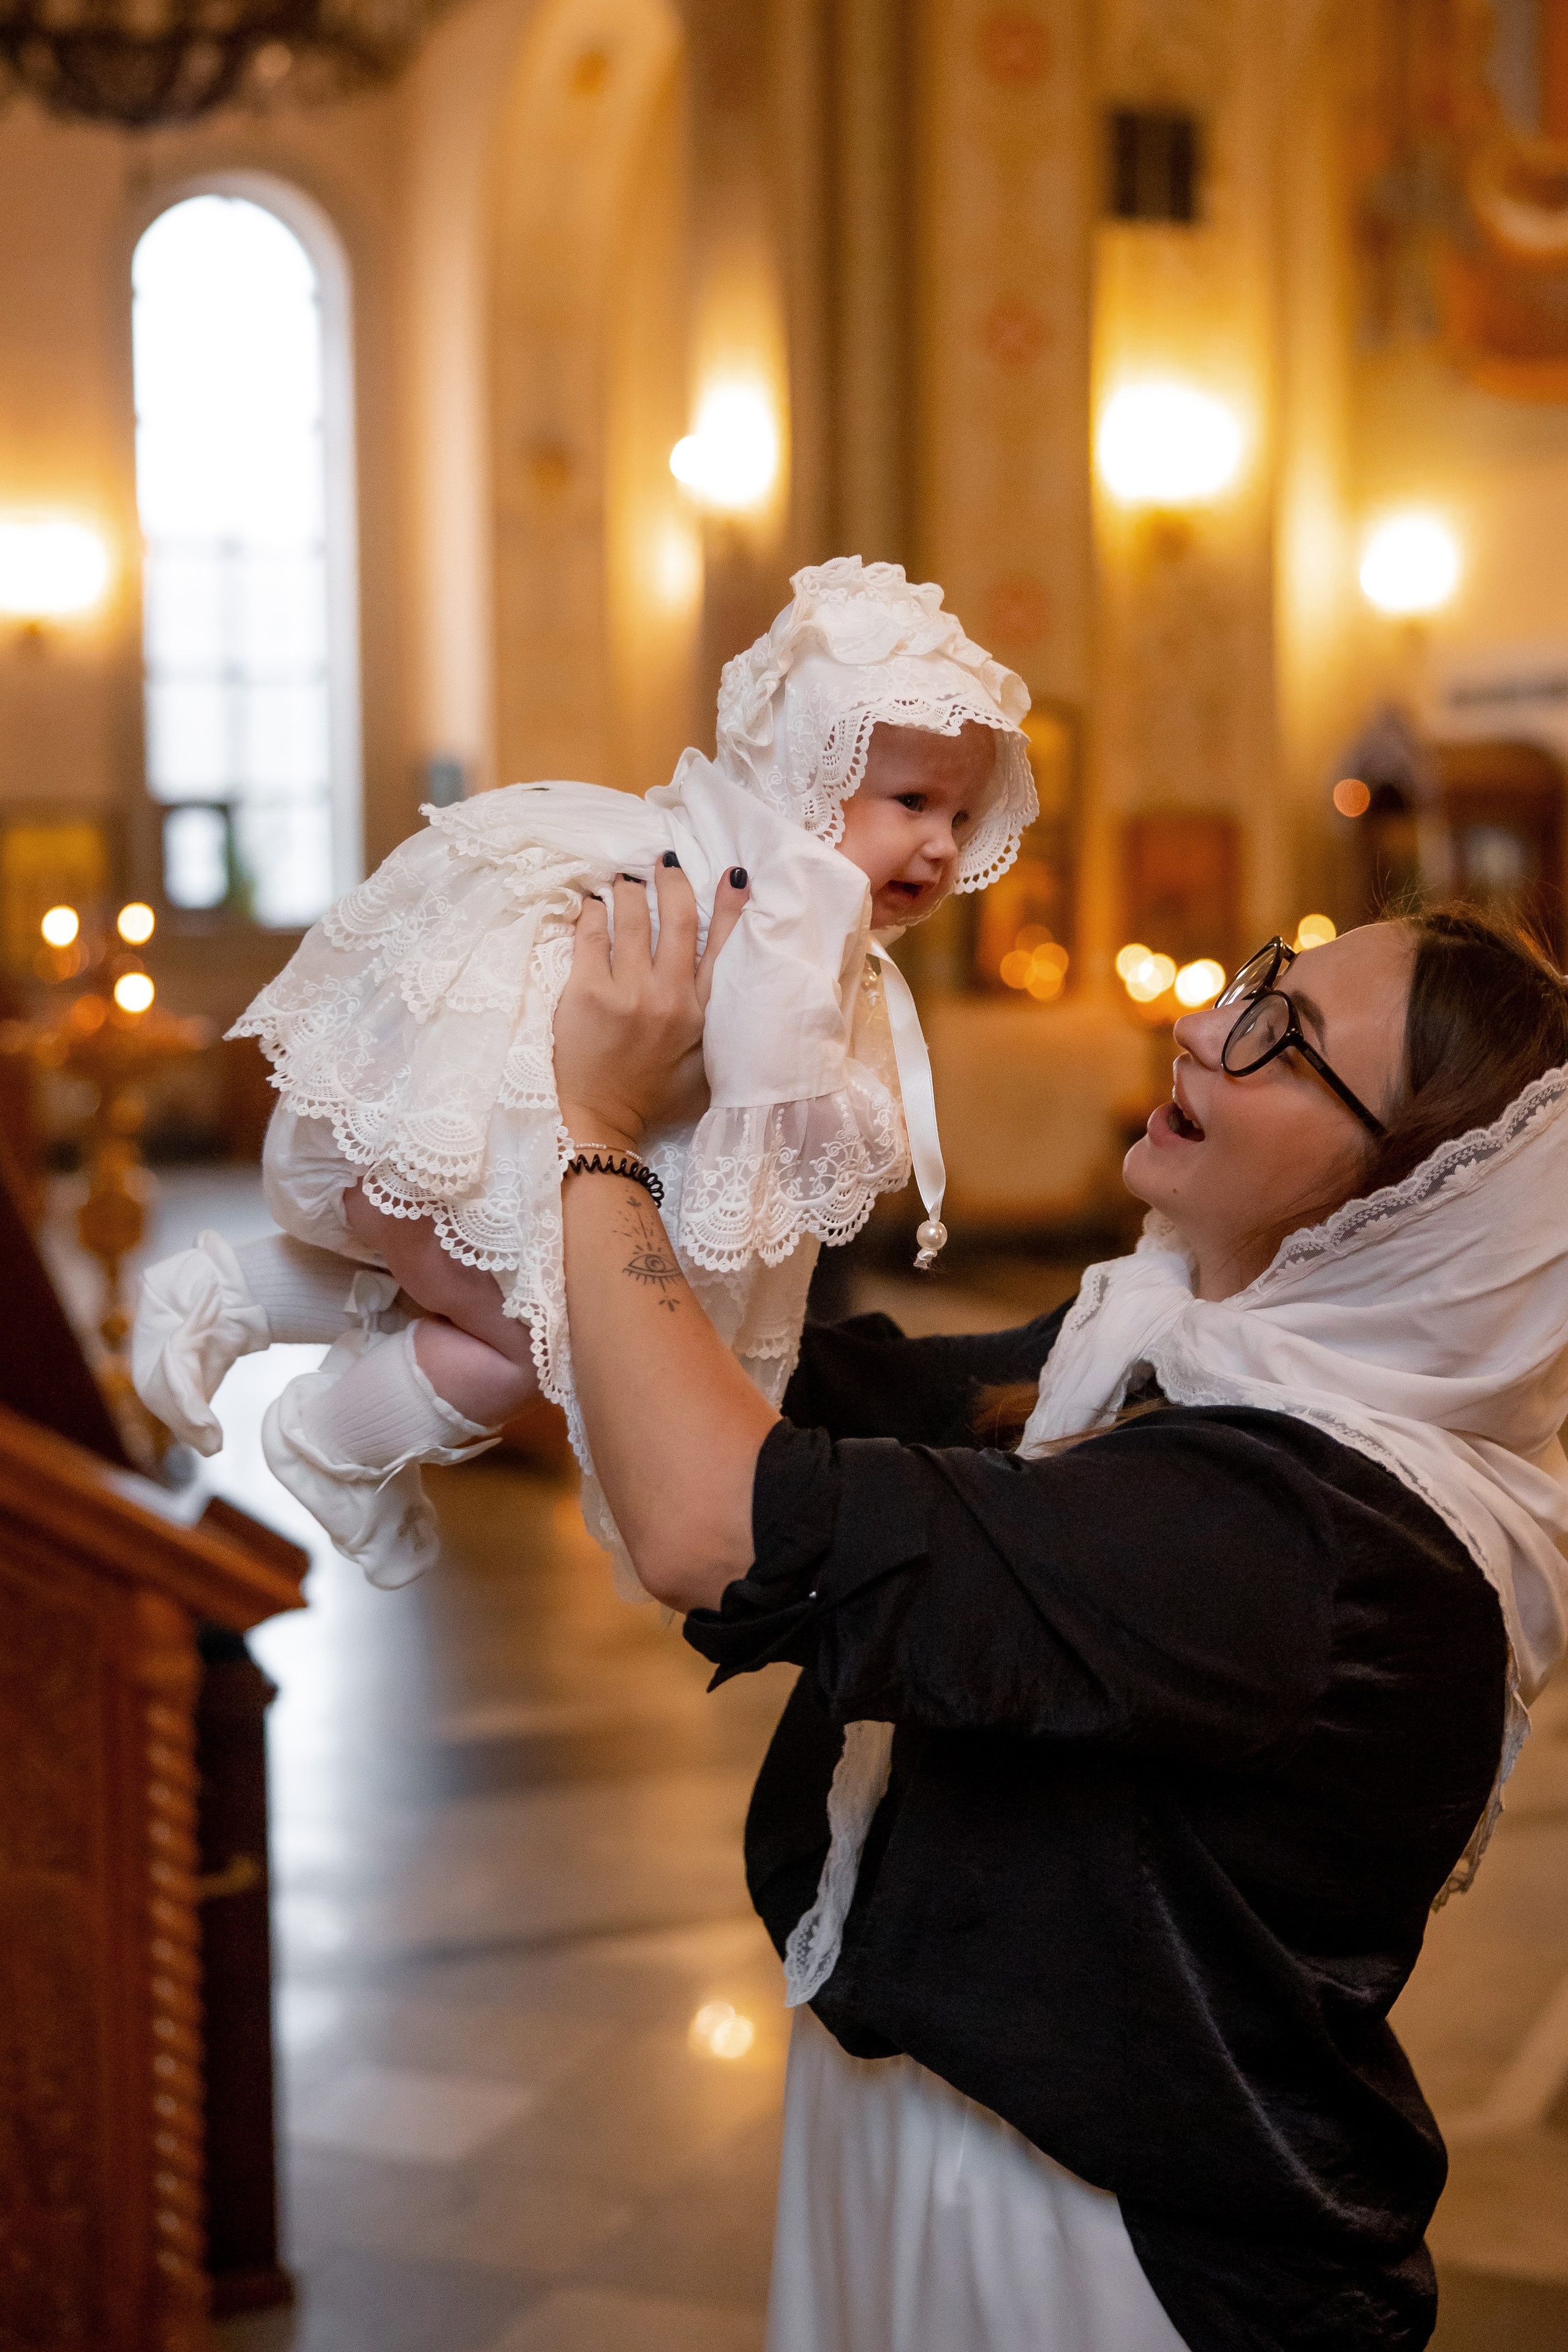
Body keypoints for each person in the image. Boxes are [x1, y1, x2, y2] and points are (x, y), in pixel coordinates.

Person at [540, 887, 1568, 2351]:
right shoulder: (1173, 1343)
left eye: (1284, 1033)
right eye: (1260, 971)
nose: (1203, 1020)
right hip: (933, 2136)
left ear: (1401, 1194)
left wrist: (599, 1128)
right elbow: (815, 1395)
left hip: (1111, 2247)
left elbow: (717, 1521)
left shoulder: (1309, 1532)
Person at [129, 557, 1035, 1585]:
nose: (940, 847)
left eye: (960, 820)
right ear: (807, 775)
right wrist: (841, 1122)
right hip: (502, 1133)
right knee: (556, 1340)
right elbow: (771, 1094)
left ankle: (225, 1292)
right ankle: (337, 1442)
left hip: (431, 1130)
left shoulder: (705, 841)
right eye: (911, 801)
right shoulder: (795, 902)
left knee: (440, 1269)